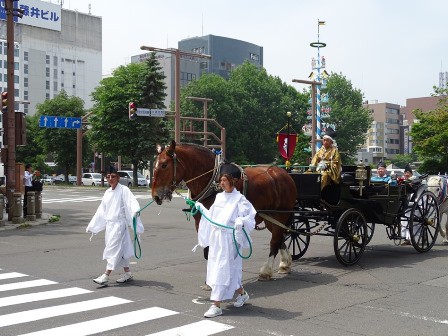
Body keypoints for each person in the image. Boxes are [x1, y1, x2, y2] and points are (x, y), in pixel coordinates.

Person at [194, 173, 256, 318]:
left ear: (232, 182)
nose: (221, 183)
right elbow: (213, 216)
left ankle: (216, 305)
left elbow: (250, 216)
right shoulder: (219, 197)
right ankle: (242, 294)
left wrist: (241, 221)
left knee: (222, 269)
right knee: (226, 269)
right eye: (220, 180)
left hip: (229, 239)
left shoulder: (240, 199)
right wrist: (202, 208)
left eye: (224, 181)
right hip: (217, 239)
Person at [86, 168, 144, 285]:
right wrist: (93, 225)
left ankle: (106, 275)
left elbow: (131, 202)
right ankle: (127, 273)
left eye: (113, 176)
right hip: (110, 225)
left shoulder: (124, 190)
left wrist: (135, 210)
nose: (111, 179)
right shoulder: (107, 192)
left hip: (119, 225)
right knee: (120, 250)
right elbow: (101, 211)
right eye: (108, 176)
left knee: (113, 248)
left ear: (118, 177)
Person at [400, 164, 416, 246]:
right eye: (405, 173)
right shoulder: (403, 180)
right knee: (403, 220)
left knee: (408, 220)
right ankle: (405, 238)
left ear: (411, 173)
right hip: (404, 202)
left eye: (408, 173)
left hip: (413, 202)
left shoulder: (414, 180)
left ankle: (410, 238)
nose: (406, 174)